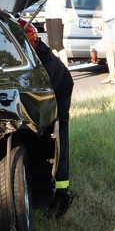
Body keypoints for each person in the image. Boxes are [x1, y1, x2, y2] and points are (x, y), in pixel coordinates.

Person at [19, 18, 74, 217]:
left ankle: (60, 194)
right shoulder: (30, 50)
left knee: (57, 134)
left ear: (31, 43)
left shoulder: (45, 64)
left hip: (60, 89)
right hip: (54, 84)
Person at [44, 0, 70, 66]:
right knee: (51, 44)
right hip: (49, 15)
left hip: (58, 15)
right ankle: (57, 68)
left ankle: (65, 70)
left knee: (58, 43)